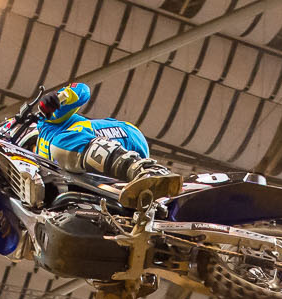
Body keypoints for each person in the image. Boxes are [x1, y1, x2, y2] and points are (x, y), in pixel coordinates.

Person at [27, 83, 179, 211]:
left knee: (60, 144)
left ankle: (148, 170)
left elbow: (82, 90)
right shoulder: (44, 177)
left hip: (126, 135)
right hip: (107, 179)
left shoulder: (46, 122)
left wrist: (57, 98)